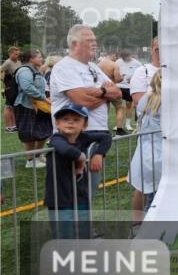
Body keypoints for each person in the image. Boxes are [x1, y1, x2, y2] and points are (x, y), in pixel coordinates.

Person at [49, 25, 122, 200]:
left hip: (96, 136)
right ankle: (70, 228)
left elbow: (118, 93)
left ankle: (84, 227)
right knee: (71, 193)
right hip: (72, 139)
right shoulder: (64, 67)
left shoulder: (93, 67)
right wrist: (104, 93)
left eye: (95, 40)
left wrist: (98, 93)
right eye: (90, 41)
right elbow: (82, 102)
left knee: (88, 192)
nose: (95, 44)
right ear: (74, 43)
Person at [45, 103, 111, 238]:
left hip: (80, 195)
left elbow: (106, 137)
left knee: (84, 231)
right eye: (65, 119)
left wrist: (99, 154)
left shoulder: (83, 137)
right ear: (57, 124)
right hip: (60, 198)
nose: (70, 122)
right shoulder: (56, 139)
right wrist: (81, 157)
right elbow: (66, 150)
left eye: (76, 120)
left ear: (84, 125)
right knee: (64, 236)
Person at [128, 70, 163, 214]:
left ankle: (136, 226)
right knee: (158, 193)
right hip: (161, 151)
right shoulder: (169, 101)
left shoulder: (145, 99)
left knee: (141, 189)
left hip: (144, 150)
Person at [13, 49, 53, 167]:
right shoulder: (24, 70)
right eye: (39, 57)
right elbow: (27, 87)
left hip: (39, 106)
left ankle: (37, 156)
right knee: (29, 134)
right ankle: (30, 161)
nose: (42, 59)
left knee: (45, 130)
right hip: (26, 106)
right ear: (31, 59)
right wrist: (44, 98)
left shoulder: (35, 70)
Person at [129, 38, 159, 107]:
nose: (161, 53)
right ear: (151, 51)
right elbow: (138, 103)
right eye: (157, 50)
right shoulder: (142, 71)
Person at [116, 50, 142, 132]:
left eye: (129, 57)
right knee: (119, 106)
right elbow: (115, 72)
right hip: (119, 86)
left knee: (128, 105)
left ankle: (128, 124)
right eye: (125, 57)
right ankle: (118, 125)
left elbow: (141, 73)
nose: (127, 59)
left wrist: (134, 78)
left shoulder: (137, 63)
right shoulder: (118, 62)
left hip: (129, 87)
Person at [2, 46, 21, 132]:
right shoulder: (7, 62)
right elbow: (0, 70)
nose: (17, 55)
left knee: (14, 106)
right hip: (10, 86)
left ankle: (14, 125)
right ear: (10, 54)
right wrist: (3, 81)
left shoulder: (19, 62)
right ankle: (8, 127)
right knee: (8, 106)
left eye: (18, 53)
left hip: (17, 86)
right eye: (15, 53)